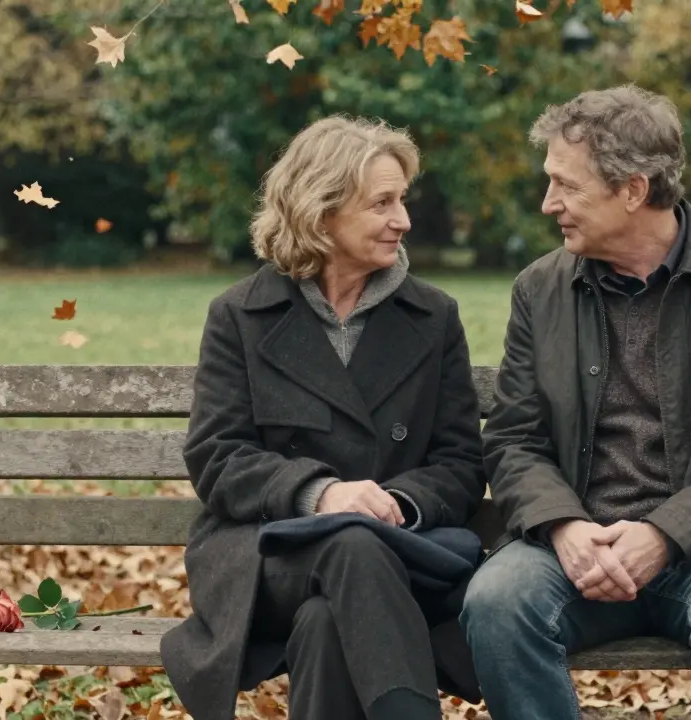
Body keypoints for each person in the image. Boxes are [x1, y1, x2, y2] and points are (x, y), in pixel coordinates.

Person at [458, 84, 691, 720]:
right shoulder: (540, 290)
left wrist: (665, 534)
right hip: (576, 550)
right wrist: (563, 527)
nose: (548, 204)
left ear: (633, 190)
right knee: (497, 599)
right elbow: (514, 440)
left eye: (566, 185)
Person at [159, 115, 488, 720]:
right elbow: (217, 456)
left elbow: (461, 461)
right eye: (381, 203)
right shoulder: (241, 315)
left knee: (326, 621)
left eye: (402, 200)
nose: (403, 221)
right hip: (267, 556)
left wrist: (396, 504)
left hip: (402, 555)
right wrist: (324, 494)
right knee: (350, 546)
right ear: (321, 212)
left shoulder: (433, 316)